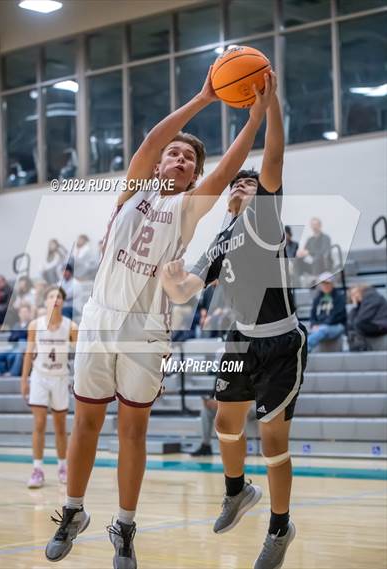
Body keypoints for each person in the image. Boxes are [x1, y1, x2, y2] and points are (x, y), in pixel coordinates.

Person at [45, 67, 276, 568]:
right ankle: (73, 510)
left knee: (132, 431)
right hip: (101, 318)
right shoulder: (134, 190)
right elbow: (152, 139)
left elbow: (223, 172)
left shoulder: (189, 207)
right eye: (174, 152)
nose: (177, 157)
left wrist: (254, 119)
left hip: (147, 330)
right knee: (86, 422)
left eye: (187, 157)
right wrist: (203, 97)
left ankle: (124, 527)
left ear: (194, 176)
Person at [161, 88, 307, 569]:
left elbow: (274, 157)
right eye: (234, 187)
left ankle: (280, 527)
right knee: (226, 423)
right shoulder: (220, 239)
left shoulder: (266, 220)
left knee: (272, 441)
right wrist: (171, 276)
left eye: (248, 185)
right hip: (241, 338)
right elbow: (186, 292)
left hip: (281, 341)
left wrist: (271, 105)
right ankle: (237, 492)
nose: (239, 189)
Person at [21, 286, 78, 489]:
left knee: (61, 427)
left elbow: (80, 354)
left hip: (60, 377)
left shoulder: (71, 326)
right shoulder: (35, 325)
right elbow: (29, 352)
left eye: (59, 296)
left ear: (63, 302)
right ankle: (37, 469)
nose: (55, 299)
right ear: (45, 302)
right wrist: (24, 380)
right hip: (39, 376)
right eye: (51, 296)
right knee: (39, 424)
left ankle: (63, 467)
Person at [307, 272, 346, 352]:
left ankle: (305, 349)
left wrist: (321, 325)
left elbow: (337, 316)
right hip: (321, 327)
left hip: (337, 326)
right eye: (323, 283)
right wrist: (314, 324)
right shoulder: (317, 298)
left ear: (332, 284)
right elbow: (313, 315)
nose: (325, 286)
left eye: (327, 283)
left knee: (323, 329)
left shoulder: (339, 297)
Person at [0, 304, 32, 376]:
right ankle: (4, 373)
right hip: (14, 346)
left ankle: (13, 373)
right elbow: (11, 338)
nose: (24, 314)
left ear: (29, 313)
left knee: (20, 345)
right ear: (19, 314)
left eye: (26, 312)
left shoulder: (31, 324)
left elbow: (26, 336)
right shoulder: (16, 325)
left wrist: (18, 336)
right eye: (22, 312)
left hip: (24, 346)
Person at [348, 284, 387, 350]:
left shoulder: (371, 296)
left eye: (356, 293)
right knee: (351, 325)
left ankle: (361, 346)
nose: (355, 296)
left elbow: (363, 317)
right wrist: (355, 305)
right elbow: (351, 319)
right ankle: (358, 346)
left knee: (358, 324)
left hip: (381, 325)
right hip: (374, 324)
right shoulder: (362, 302)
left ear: (361, 290)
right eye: (352, 295)